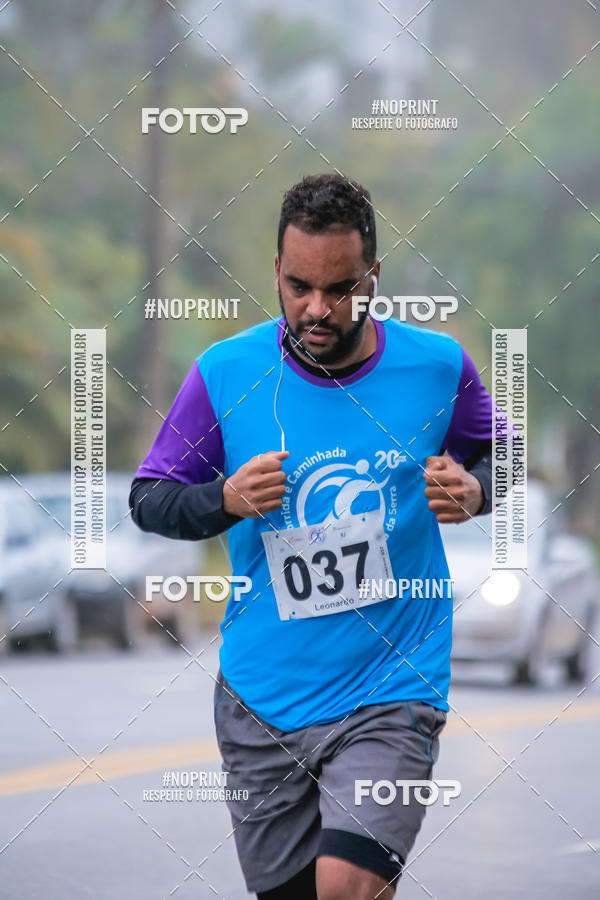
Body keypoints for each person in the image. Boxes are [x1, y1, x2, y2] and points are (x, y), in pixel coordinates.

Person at [129, 174, 494, 899]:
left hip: (391, 688)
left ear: (375, 278)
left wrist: (478, 488)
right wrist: (223, 499)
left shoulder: (437, 366)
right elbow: (150, 499)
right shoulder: (227, 373)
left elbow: (502, 450)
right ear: (275, 272)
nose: (317, 308)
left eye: (341, 289)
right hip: (263, 698)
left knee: (346, 887)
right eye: (298, 287)